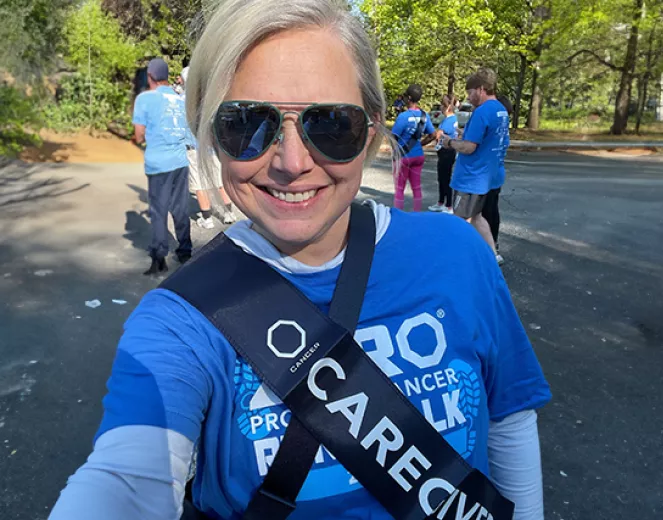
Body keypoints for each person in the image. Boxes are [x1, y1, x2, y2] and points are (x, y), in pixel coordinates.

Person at [49, 2, 550, 520]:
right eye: (248, 125)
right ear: (211, 136)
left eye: (332, 125)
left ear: (373, 131)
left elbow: (509, 420)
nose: (292, 162)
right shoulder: (181, 322)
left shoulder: (457, 254)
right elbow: (126, 482)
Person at [132, 58, 192, 275]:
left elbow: (139, 136)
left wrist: (144, 135)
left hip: (159, 164)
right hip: (180, 162)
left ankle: (159, 258)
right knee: (180, 208)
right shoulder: (180, 100)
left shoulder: (145, 99)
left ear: (150, 77)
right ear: (167, 76)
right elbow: (189, 135)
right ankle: (185, 251)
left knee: (158, 211)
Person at [442, 68, 510, 255]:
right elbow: (493, 139)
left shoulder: (481, 112)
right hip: (489, 175)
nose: (468, 97)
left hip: (471, 177)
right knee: (478, 217)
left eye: (470, 92)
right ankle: (492, 254)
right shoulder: (501, 110)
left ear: (480, 89)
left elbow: (469, 147)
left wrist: (450, 142)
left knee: (459, 219)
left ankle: (457, 257)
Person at [180, 66, 237, 229]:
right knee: (218, 181)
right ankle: (228, 213)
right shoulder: (208, 99)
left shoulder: (182, 100)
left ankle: (207, 218)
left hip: (193, 146)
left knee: (199, 184)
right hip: (211, 146)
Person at [391, 84, 437, 211]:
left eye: (406, 96)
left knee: (400, 188)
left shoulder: (403, 116)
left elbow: (393, 136)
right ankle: (417, 214)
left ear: (409, 98)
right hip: (418, 155)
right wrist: (421, 144)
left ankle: (398, 215)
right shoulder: (424, 115)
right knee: (416, 187)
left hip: (404, 156)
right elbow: (433, 134)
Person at [482, 95, 513, 265]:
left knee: (485, 212)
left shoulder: (497, 131)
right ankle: (494, 243)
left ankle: (490, 247)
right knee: (493, 209)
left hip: (489, 174)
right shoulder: (503, 131)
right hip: (497, 173)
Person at [428, 94, 459, 214]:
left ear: (447, 108)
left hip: (447, 151)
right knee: (441, 177)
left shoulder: (449, 120)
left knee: (445, 178)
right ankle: (441, 202)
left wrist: (434, 138)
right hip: (445, 151)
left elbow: (438, 134)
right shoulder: (451, 119)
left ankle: (449, 205)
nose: (440, 107)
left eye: (442, 105)